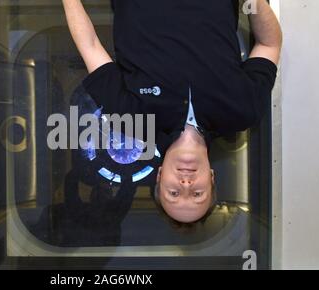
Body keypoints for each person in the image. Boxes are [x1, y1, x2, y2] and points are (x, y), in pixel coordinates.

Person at [62, 0, 282, 223]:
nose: (186, 183)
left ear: (159, 177)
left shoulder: (130, 118)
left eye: (173, 193)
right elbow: (268, 45)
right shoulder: (243, 111)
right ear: (212, 179)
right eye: (197, 194)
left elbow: (89, 45)